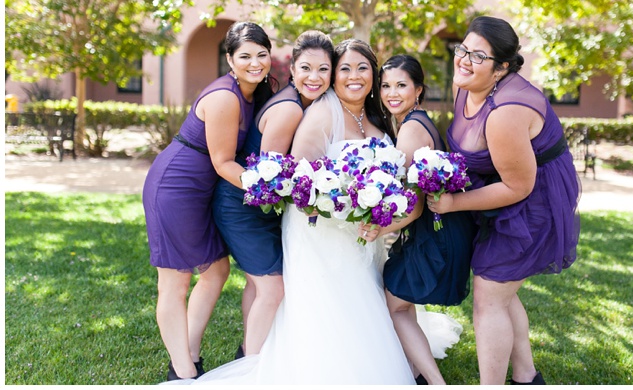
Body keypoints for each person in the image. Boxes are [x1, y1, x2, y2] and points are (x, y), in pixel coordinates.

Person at [169, 39, 460, 385]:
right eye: (345, 69)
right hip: (320, 233)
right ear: (335, 76)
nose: (354, 76)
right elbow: (301, 187)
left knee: (366, 299)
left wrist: (380, 209)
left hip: (364, 237)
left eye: (363, 68)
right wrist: (348, 205)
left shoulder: (379, 117)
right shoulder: (320, 114)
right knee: (332, 304)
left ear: (374, 74)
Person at [427, 16, 581, 385]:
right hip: (498, 188)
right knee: (502, 290)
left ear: (502, 68)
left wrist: (452, 203)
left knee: (490, 297)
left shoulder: (506, 112)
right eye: (462, 49)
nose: (463, 59)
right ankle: (527, 377)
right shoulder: (467, 83)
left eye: (477, 56)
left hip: (533, 200)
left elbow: (518, 187)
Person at [142, 22, 275, 381]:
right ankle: (183, 373)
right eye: (245, 56)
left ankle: (190, 352)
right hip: (176, 187)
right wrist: (270, 189)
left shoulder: (253, 94)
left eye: (261, 55)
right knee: (174, 282)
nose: (255, 63)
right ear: (230, 59)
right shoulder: (226, 97)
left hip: (202, 190)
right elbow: (222, 162)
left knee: (216, 271)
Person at [211, 30, 334, 359]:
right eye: (306, 68)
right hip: (241, 207)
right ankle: (250, 365)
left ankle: (248, 350)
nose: (314, 77)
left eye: (324, 69)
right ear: (292, 69)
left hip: (256, 208)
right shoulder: (290, 110)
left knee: (257, 284)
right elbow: (271, 179)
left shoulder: (306, 103)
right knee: (271, 288)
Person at [371, 54, 475, 385]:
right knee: (401, 297)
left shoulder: (412, 129)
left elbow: (412, 207)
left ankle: (433, 381)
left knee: (396, 305)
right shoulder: (415, 120)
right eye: (385, 86)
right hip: (436, 229)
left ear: (418, 90)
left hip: (436, 233)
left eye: (401, 85)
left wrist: (377, 229)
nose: (391, 93)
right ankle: (415, 372)